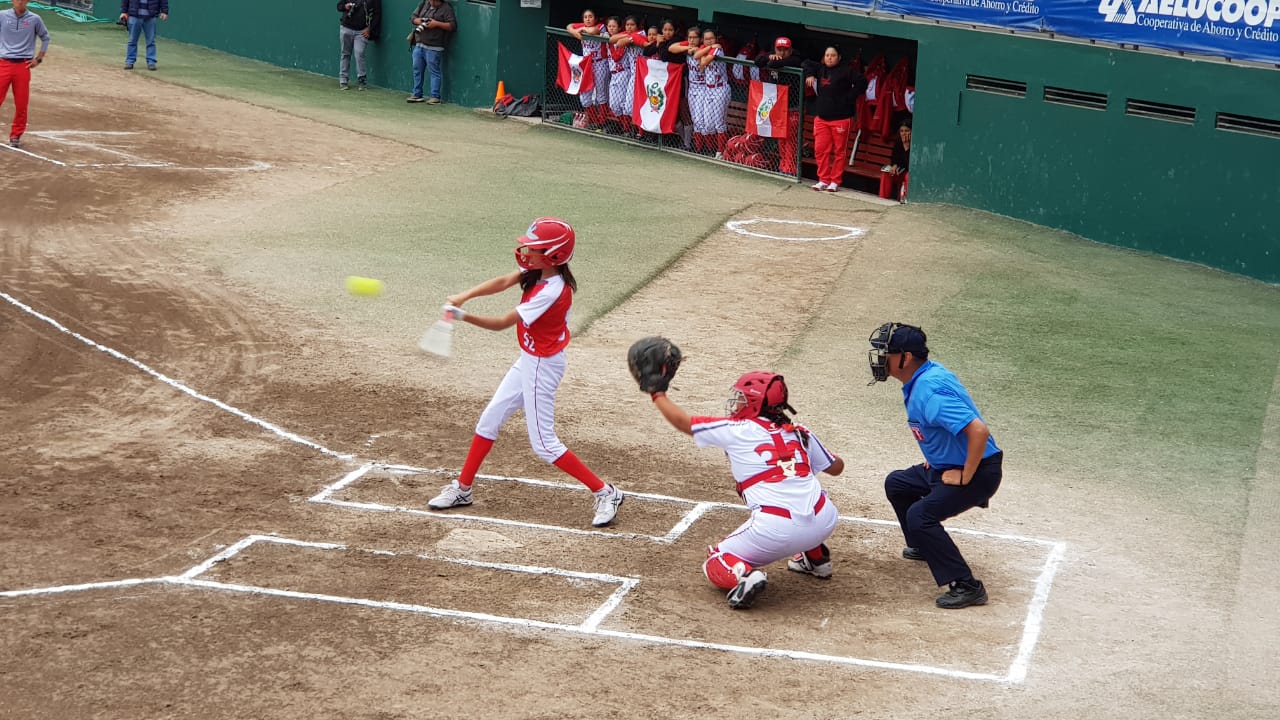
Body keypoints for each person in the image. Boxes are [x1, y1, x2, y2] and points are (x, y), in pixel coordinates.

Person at [427, 218, 625, 528]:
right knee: (490, 418)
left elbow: (503, 323)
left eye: (534, 249)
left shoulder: (552, 290)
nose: (526, 252)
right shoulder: (538, 271)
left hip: (542, 366)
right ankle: (462, 489)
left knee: (544, 444)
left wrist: (461, 315)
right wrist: (464, 295)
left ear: (554, 256)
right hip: (530, 359)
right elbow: (502, 282)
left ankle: (606, 492)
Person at [644, 371, 845, 609]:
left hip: (776, 529)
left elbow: (684, 423)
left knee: (716, 561)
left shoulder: (737, 429)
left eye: (742, 398)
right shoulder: (799, 431)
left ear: (755, 403)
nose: (737, 403)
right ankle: (817, 559)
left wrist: (657, 394)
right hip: (825, 519)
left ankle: (746, 576)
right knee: (801, 492)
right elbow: (837, 468)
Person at [866, 322, 1003, 609]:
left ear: (905, 358)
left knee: (921, 515)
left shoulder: (929, 392)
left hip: (977, 471)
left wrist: (966, 474)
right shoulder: (923, 377)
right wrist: (939, 454)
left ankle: (967, 585)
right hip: (946, 465)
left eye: (887, 353)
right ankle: (922, 545)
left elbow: (979, 431)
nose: (880, 359)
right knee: (898, 483)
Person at [803, 46, 868, 192]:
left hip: (841, 118)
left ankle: (835, 181)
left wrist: (850, 97)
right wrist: (809, 74)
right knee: (820, 150)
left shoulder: (847, 71)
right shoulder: (820, 69)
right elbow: (805, 62)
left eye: (833, 55)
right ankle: (823, 180)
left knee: (839, 151)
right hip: (822, 118)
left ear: (839, 57)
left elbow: (862, 82)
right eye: (827, 55)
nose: (830, 58)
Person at [1, 0, 50, 149]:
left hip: (23, 65)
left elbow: (45, 38)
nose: (20, 2)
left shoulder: (35, 19)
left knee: (21, 103)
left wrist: (39, 59)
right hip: (3, 63)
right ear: (12, 1)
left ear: (27, 1)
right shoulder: (2, 16)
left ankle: (16, 135)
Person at [754, 37, 804, 176]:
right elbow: (758, 61)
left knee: (790, 140)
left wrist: (772, 60)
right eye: (779, 49)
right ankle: (783, 168)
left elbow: (776, 64)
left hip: (794, 107)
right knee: (781, 139)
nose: (782, 52)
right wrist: (769, 56)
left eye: (785, 49)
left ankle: (790, 170)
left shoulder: (795, 59)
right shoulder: (772, 56)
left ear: (791, 50)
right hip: (779, 107)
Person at [566, 9, 610, 130]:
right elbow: (569, 26)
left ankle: (603, 123)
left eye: (590, 17)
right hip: (586, 65)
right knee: (584, 97)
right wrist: (575, 31)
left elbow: (593, 30)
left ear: (595, 19)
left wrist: (580, 30)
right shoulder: (582, 26)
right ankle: (594, 121)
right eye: (585, 17)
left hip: (600, 63)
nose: (588, 19)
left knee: (601, 95)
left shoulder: (600, 26)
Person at [408, 0, 455, 104]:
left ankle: (435, 96)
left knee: (434, 71)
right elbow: (413, 18)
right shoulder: (424, 4)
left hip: (434, 46)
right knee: (417, 69)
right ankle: (417, 94)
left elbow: (451, 25)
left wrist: (436, 24)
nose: (431, 2)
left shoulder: (446, 8)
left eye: (434, 0)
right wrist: (419, 21)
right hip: (419, 43)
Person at [606, 15, 645, 137]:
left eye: (632, 25)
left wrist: (629, 36)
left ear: (637, 26)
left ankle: (640, 133)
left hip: (642, 74)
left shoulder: (642, 33)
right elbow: (612, 40)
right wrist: (628, 35)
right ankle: (630, 130)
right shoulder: (630, 34)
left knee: (632, 107)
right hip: (633, 74)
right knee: (621, 107)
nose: (629, 27)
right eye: (627, 25)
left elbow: (621, 42)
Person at [337, 0, 380, 90]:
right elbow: (339, 6)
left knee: (359, 53)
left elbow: (377, 14)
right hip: (346, 28)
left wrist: (369, 29)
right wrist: (346, 7)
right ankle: (343, 80)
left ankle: (362, 80)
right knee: (345, 54)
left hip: (362, 31)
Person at [118, 0, 167, 72]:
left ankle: (151, 62)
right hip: (134, 16)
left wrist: (164, 11)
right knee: (132, 40)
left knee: (151, 41)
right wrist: (124, 12)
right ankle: (129, 62)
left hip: (150, 17)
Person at [880, 120, 911, 202]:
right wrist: (894, 165)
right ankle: (883, 198)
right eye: (902, 131)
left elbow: (910, 164)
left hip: (909, 172)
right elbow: (894, 158)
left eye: (907, 131)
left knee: (908, 176)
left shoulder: (914, 143)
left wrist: (907, 147)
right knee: (887, 172)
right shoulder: (898, 142)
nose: (904, 133)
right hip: (900, 171)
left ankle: (906, 199)